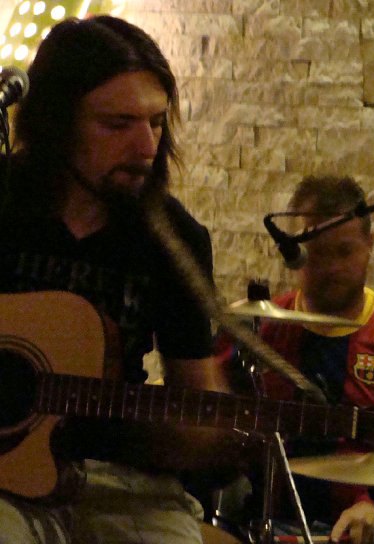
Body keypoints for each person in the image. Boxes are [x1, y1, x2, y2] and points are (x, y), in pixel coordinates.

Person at [0, 15, 237, 544]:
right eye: (117, 124)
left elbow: (196, 402)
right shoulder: (6, 201)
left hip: (120, 479)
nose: (146, 146)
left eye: (156, 122)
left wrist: (215, 434)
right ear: (57, 124)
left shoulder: (174, 239)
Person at [258, 176, 374, 544]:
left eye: (344, 252)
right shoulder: (259, 331)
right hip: (267, 523)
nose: (332, 268)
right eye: (319, 254)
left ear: (370, 243)